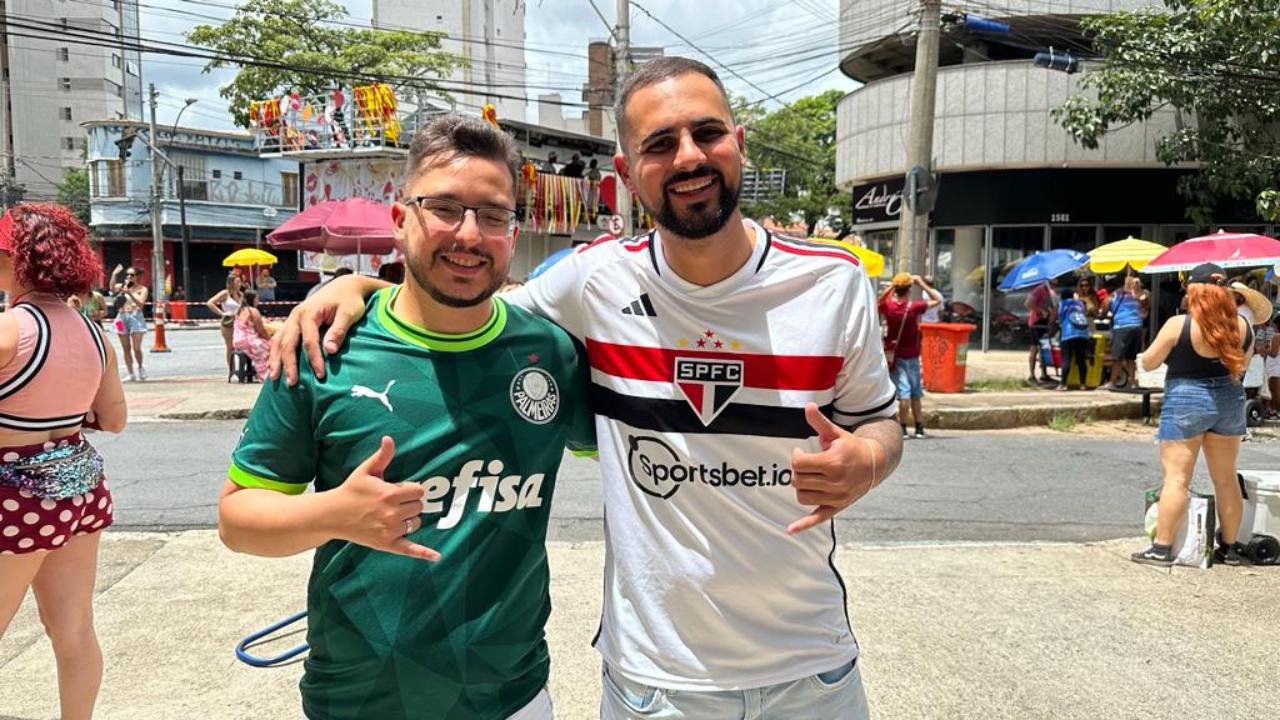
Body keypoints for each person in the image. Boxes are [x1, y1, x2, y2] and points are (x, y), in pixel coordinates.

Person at [271, 56, 903, 718]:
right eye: (660, 144)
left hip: (813, 672)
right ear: (628, 176)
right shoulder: (594, 280)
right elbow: (472, 296)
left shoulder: (834, 284)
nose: (689, 157)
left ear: (738, 142)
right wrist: (361, 288)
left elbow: (880, 424)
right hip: (655, 682)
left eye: (707, 133)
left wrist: (869, 459)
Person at [219, 113, 595, 720]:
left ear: (512, 230)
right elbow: (237, 520)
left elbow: (652, 454)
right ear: (401, 220)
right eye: (444, 207)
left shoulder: (550, 352)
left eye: (493, 214)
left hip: (513, 698)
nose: (469, 234)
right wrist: (332, 514)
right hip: (358, 701)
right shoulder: (325, 346)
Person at [0, 204, 128, 720]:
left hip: (15, 497)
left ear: (16, 259)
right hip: (79, 491)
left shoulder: (11, 331)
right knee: (72, 628)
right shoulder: (97, 335)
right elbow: (114, 420)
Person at [1132, 263, 1253, 567]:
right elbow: (1242, 369)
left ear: (1195, 291)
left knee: (1176, 478)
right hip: (1229, 399)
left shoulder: (1179, 325)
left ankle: (1161, 549)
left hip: (1186, 399)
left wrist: (1144, 359)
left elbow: (1149, 362)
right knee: (1225, 478)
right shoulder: (1243, 327)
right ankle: (1230, 548)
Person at [879, 273, 940, 438]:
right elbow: (937, 300)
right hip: (912, 355)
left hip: (896, 357)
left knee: (903, 393)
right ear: (909, 290)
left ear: (896, 289)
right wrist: (922, 283)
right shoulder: (913, 307)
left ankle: (903, 428)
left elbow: (878, 301)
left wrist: (892, 285)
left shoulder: (889, 307)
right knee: (915, 393)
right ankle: (919, 427)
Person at [108, 264, 149, 381]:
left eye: (132, 275)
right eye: (127, 275)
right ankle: (130, 373)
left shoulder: (142, 289)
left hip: (135, 316)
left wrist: (130, 293)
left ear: (137, 276)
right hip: (121, 317)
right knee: (125, 347)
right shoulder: (122, 286)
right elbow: (111, 288)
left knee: (136, 348)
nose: (129, 277)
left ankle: (141, 367)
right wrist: (114, 274)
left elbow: (141, 304)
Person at [1104, 275, 1144, 389]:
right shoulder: (1136, 295)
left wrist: (1101, 315)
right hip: (1137, 327)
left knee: (1118, 357)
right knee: (1131, 358)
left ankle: (1111, 383)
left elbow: (1104, 309)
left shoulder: (1115, 295)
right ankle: (1132, 383)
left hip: (1122, 327)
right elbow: (1145, 305)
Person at [206, 274, 245, 379]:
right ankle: (232, 369)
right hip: (228, 322)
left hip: (240, 322)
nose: (239, 284)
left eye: (240, 282)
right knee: (230, 347)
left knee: (242, 345)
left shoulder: (241, 294)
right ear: (231, 283)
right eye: (237, 282)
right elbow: (210, 303)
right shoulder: (225, 293)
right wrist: (222, 313)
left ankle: (242, 368)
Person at [232, 290, 272, 380]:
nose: (258, 300)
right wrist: (270, 339)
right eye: (257, 298)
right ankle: (265, 373)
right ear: (252, 299)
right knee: (273, 346)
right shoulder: (253, 311)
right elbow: (261, 331)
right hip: (248, 341)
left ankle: (260, 371)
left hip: (237, 341)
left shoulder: (239, 311)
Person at [1025, 278, 1057, 384]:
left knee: (1044, 348)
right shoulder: (1038, 290)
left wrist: (1051, 322)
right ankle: (1031, 375)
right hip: (1036, 322)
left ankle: (1044, 373)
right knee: (1034, 348)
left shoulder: (1051, 291)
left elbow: (1054, 308)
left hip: (1046, 322)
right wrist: (1041, 310)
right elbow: (1028, 304)